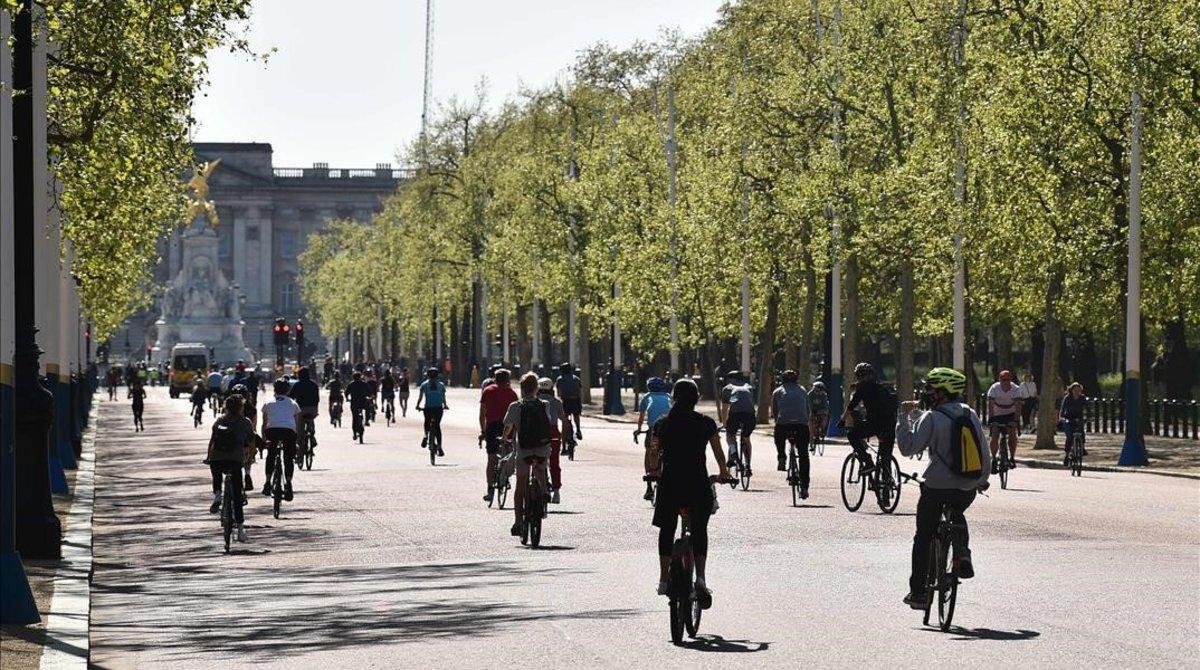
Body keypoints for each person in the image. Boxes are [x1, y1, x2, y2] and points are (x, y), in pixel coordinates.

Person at [896, 367, 990, 609]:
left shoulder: (932, 417)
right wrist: (980, 480)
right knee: (958, 511)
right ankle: (962, 553)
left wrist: (903, 418)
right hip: (967, 486)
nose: (926, 392)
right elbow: (984, 451)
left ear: (942, 392)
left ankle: (918, 593)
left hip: (936, 485)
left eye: (930, 388)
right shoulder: (970, 414)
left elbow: (908, 448)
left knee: (923, 536)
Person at [652, 378, 733, 604]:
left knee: (667, 529)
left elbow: (652, 453)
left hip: (670, 484)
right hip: (697, 484)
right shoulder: (706, 423)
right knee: (700, 529)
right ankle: (701, 579)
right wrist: (724, 472)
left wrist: (653, 471)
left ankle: (663, 580)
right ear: (696, 399)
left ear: (673, 398)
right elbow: (718, 453)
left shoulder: (662, 423)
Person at [502, 373, 554, 537]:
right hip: (542, 447)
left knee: (521, 484)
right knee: (541, 467)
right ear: (536, 388)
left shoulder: (515, 406)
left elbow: (508, 427)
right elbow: (549, 422)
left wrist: (504, 438)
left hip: (524, 449)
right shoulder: (544, 404)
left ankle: (518, 521)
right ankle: (544, 491)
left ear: (522, 389)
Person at [206, 394, 256, 543]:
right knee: (237, 496)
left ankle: (217, 494)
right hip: (234, 460)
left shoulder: (219, 421)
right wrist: (249, 457)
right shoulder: (245, 422)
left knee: (216, 473)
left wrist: (208, 457)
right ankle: (240, 530)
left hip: (217, 458)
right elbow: (251, 442)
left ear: (226, 407)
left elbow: (212, 441)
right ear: (241, 407)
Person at [841, 363, 897, 479]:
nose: (862, 379)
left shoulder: (862, 388)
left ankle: (867, 461)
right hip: (890, 424)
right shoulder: (882, 388)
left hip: (875, 424)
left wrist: (842, 420)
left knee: (852, 435)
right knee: (885, 456)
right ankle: (887, 486)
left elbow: (851, 405)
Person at [772, 370, 812, 497]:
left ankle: (782, 456)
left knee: (778, 433)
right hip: (801, 424)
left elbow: (774, 411)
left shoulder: (777, 391)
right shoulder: (803, 390)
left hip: (784, 423)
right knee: (804, 455)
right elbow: (807, 410)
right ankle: (805, 487)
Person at [480, 369, 518, 503]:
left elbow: (482, 413)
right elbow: (515, 414)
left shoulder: (488, 391)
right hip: (508, 426)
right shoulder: (512, 393)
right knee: (507, 453)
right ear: (508, 380)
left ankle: (490, 488)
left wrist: (483, 431)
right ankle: (504, 476)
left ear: (495, 379)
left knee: (491, 458)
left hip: (492, 426)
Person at [260, 379, 300, 501]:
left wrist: (264, 438)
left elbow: (264, 423)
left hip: (272, 431)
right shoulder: (293, 403)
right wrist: (296, 440)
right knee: (288, 458)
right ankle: (288, 484)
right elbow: (296, 424)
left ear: (275, 389)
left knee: (271, 456)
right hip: (288, 432)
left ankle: (267, 483)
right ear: (287, 390)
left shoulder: (268, 403)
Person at [536, 377, 573, 504]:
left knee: (535, 459)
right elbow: (564, 421)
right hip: (553, 433)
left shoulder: (534, 400)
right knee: (554, 463)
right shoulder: (556, 402)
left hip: (538, 432)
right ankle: (556, 492)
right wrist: (563, 442)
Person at [637, 377, 673, 500]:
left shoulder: (646, 397)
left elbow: (641, 417)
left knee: (649, 451)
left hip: (654, 428)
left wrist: (638, 429)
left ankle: (649, 483)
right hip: (669, 428)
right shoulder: (669, 397)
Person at [718, 371, 757, 476]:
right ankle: (748, 465)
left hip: (735, 415)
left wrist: (725, 424)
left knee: (730, 434)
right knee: (746, 439)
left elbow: (725, 409)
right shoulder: (749, 387)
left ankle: (733, 452)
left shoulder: (727, 388)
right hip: (750, 416)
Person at [986, 369, 1021, 472]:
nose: (1005, 382)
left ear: (1011, 380)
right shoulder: (994, 388)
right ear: (999, 380)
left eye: (1008, 380)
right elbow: (990, 405)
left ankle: (1012, 457)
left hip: (1010, 414)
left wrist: (1016, 420)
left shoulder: (1016, 389)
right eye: (1003, 380)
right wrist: (991, 419)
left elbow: (1018, 406)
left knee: (1012, 433)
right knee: (995, 433)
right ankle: (993, 458)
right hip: (997, 415)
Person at [288, 366, 320, 457]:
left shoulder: (297, 385)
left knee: (299, 431)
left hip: (300, 409)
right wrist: (315, 408)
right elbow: (317, 398)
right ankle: (312, 437)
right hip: (312, 409)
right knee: (310, 421)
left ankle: (299, 454)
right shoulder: (314, 384)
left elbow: (291, 397)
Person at [416, 367, 449, 455]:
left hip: (428, 409)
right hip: (438, 409)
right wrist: (445, 405)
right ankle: (439, 446)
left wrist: (417, 406)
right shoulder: (441, 385)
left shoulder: (424, 385)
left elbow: (420, 397)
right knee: (437, 426)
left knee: (427, 421)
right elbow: (443, 398)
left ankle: (426, 435)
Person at [1058, 382, 1088, 465]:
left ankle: (1082, 448)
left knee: (1081, 432)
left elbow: (1087, 408)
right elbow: (1062, 409)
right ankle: (1067, 455)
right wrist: (1062, 418)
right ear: (1071, 390)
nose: (1077, 392)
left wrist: (1087, 416)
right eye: (1075, 390)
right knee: (1070, 436)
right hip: (1068, 418)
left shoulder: (1082, 398)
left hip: (1079, 417)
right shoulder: (1067, 398)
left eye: (1079, 390)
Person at [555, 363, 584, 440]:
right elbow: (580, 391)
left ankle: (567, 428)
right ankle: (578, 429)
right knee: (576, 415)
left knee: (565, 417)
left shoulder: (560, 379)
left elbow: (558, 393)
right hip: (576, 400)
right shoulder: (576, 378)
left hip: (566, 401)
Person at [345, 371, 371, 441]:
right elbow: (369, 392)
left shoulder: (351, 384)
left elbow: (346, 392)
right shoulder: (364, 384)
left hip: (354, 403)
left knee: (354, 418)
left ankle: (354, 433)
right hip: (363, 402)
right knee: (368, 408)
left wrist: (347, 398)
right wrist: (369, 396)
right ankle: (367, 420)